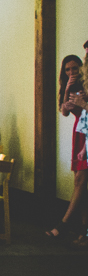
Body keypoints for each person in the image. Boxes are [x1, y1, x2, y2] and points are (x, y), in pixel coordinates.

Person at [49, 53, 86, 242]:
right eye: (67, 70)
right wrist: (67, 88)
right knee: (81, 184)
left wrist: (82, 103)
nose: (72, 72)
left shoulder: (86, 84)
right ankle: (84, 231)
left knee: (80, 181)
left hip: (86, 131)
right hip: (79, 132)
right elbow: (63, 111)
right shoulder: (71, 87)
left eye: (74, 68)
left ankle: (63, 224)